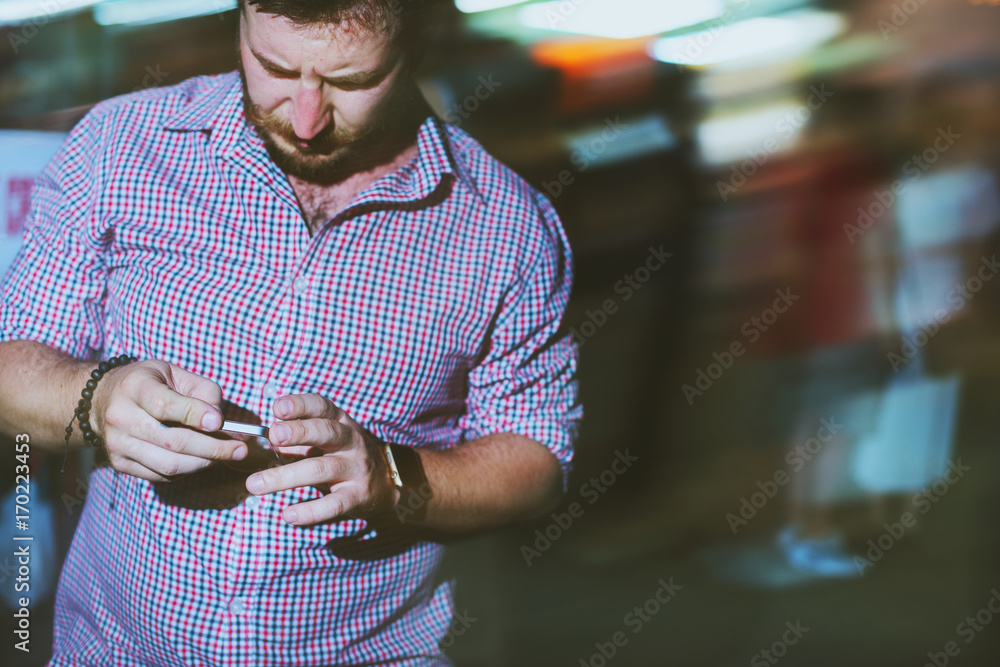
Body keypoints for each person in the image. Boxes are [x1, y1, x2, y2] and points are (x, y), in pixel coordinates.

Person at [0, 0, 583, 664]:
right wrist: (97, 398)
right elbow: (10, 368)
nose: (306, 119)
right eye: (274, 66)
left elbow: (539, 460)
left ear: (421, 36)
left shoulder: (509, 230)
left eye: (353, 80)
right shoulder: (120, 146)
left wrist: (393, 481)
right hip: (111, 648)